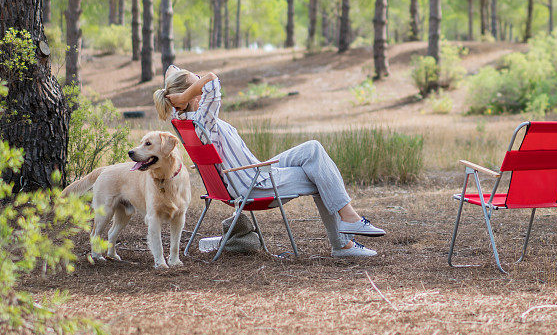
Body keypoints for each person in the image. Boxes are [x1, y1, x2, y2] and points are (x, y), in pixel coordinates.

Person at [153, 65, 385, 258]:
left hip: (249, 174)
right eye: (196, 84)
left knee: (313, 150)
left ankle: (348, 224)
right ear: (188, 96)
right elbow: (212, 80)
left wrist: (180, 91)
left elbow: (172, 73)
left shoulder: (182, 121)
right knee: (318, 173)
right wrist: (186, 93)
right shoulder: (204, 119)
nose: (200, 87)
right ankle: (344, 241)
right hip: (254, 183)